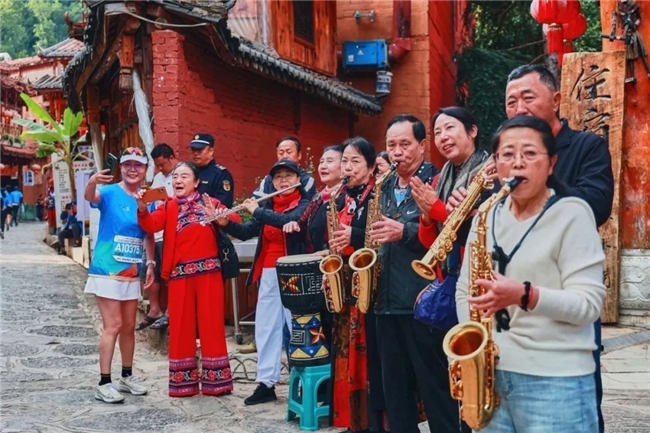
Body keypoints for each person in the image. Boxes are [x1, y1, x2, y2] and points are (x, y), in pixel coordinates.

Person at [455, 115, 606, 432]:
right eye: (507, 155)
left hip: (556, 381)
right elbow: (464, 289)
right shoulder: (486, 214)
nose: (518, 163)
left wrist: (525, 295)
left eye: (530, 154)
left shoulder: (573, 214)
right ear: (495, 165)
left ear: (551, 164)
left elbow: (589, 304)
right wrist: (474, 345)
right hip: (491, 376)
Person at [504, 64, 614, 433]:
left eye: (528, 97)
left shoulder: (587, 146)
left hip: (565, 298)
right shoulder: (506, 161)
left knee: (576, 405)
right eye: (511, 101)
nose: (519, 107)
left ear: (557, 99)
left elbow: (596, 204)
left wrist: (541, 175)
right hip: (511, 310)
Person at [368, 114, 463, 433]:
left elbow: (448, 234)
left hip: (423, 303)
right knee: (395, 391)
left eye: (405, 144)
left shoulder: (437, 182)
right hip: (385, 302)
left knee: (435, 389)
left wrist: (405, 231)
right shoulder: (382, 187)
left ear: (422, 146)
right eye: (391, 145)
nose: (397, 152)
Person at [137, 162, 238, 397]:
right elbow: (150, 224)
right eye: (175, 177)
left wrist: (220, 217)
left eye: (184, 176)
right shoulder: (168, 206)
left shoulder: (209, 203)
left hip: (210, 274)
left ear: (195, 182)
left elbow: (236, 219)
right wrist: (142, 207)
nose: (178, 181)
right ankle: (184, 384)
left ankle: (217, 383)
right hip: (180, 276)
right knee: (181, 326)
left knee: (212, 325)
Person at [219, 158, 308, 405]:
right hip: (269, 272)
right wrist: (226, 223)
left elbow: (294, 221)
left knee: (297, 329)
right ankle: (266, 383)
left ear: (298, 180)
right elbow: (247, 231)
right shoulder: (269, 204)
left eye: (288, 176)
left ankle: (300, 381)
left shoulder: (305, 203)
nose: (283, 181)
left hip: (295, 272)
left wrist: (257, 210)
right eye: (278, 177)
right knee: (266, 328)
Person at [83, 147, 153, 403]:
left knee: (128, 328)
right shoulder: (111, 192)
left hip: (131, 270)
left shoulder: (148, 197)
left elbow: (148, 232)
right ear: (121, 167)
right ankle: (104, 382)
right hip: (107, 269)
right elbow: (91, 196)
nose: (132, 169)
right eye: (127, 165)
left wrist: (152, 262)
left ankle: (126, 375)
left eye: (138, 165)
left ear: (145, 169)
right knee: (112, 326)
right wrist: (91, 181)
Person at [327, 137, 385, 433]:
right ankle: (353, 422)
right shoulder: (340, 196)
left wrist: (354, 235)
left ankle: (374, 422)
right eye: (345, 161)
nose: (348, 168)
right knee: (346, 352)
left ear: (372, 166)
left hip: (371, 283)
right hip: (345, 284)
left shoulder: (378, 193)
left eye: (356, 162)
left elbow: (379, 234)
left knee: (370, 356)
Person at [414, 107, 492, 281]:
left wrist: (435, 208)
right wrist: (427, 217)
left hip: (477, 273)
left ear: (472, 131)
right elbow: (429, 243)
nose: (443, 137)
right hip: (447, 277)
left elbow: (480, 230)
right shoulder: (438, 180)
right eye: (437, 132)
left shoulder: (490, 174)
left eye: (449, 128)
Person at [136, 143, 177, 332]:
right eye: (157, 165)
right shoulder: (159, 177)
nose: (160, 169)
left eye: (162, 164)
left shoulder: (181, 174)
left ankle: (170, 311)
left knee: (171, 273)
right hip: (156, 230)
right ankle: (154, 309)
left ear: (172, 158)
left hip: (172, 231)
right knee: (149, 268)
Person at [252, 136, 316, 201]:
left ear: (299, 155)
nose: (284, 156)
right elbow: (257, 199)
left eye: (289, 152)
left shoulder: (307, 180)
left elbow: (306, 206)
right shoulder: (268, 179)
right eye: (281, 153)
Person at [190, 133, 235, 208]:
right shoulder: (189, 171)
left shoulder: (221, 174)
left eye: (200, 150)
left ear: (211, 151)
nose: (195, 153)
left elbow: (223, 205)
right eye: (193, 149)